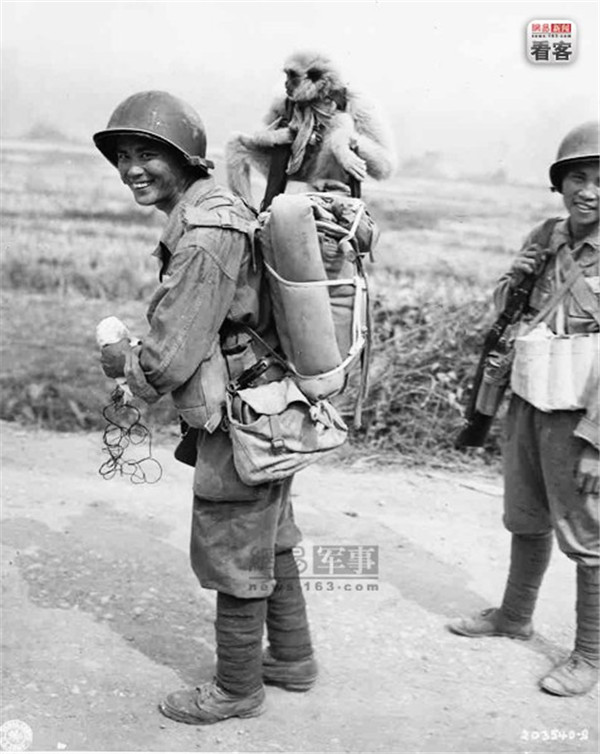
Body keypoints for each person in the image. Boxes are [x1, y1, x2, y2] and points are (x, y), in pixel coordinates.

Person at [93, 91, 317, 725]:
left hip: (242, 415)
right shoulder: (213, 211)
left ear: (185, 158)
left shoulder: (205, 233)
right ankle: (292, 657)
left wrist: (124, 366)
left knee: (233, 542)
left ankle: (237, 689)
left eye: (147, 154)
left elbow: (169, 356)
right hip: (269, 404)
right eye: (123, 156)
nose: (132, 169)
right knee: (270, 534)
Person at [448, 121, 599, 697]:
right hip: (531, 398)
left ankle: (590, 655)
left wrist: (597, 441)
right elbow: (506, 310)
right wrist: (515, 279)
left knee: (588, 534)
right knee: (525, 514)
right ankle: (514, 615)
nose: (588, 191)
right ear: (560, 184)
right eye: (577, 177)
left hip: (583, 415)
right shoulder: (545, 237)